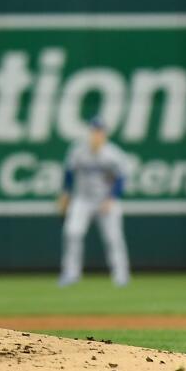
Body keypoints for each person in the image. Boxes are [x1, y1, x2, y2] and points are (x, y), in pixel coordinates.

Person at [58, 117, 131, 287]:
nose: (97, 135)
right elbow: (69, 173)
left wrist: (112, 198)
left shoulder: (113, 154)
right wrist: (65, 194)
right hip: (82, 199)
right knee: (72, 233)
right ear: (90, 133)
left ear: (105, 134)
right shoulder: (77, 151)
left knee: (113, 238)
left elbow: (122, 178)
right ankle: (70, 274)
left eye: (100, 132)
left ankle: (121, 275)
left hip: (105, 200)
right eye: (94, 131)